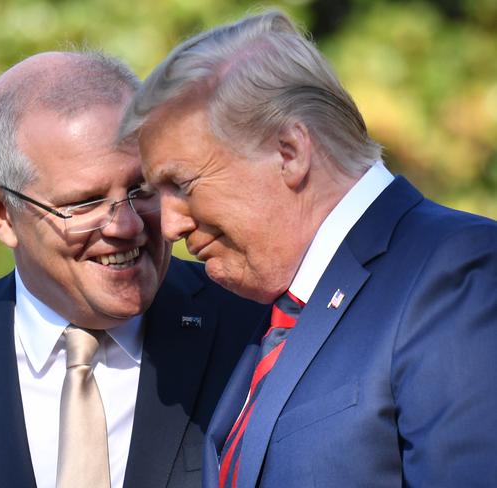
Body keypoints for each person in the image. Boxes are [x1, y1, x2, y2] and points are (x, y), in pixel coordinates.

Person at [0, 51, 266, 488]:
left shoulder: (253, 328)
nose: (126, 225)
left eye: (142, 189)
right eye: (83, 203)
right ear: (1, 214)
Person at [119, 9, 497, 488]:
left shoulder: (458, 272)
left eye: (181, 184)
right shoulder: (275, 311)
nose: (168, 225)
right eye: (157, 193)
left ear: (289, 152)